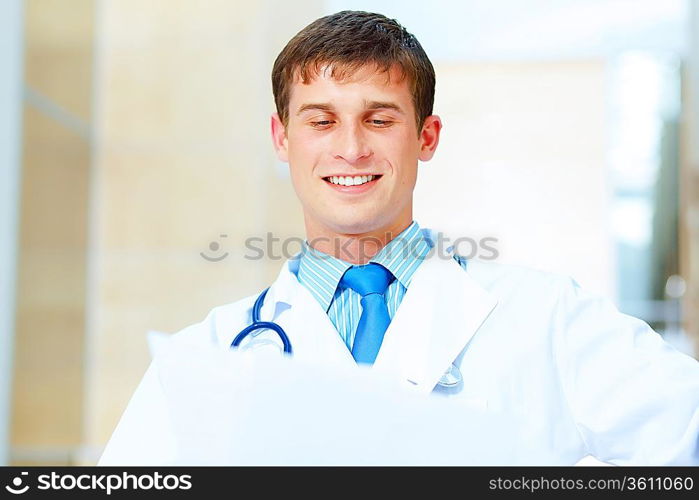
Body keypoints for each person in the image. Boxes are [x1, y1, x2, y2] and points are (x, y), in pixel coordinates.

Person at [99, 10, 699, 465]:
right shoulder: (211, 353)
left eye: (379, 119)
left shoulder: (550, 318)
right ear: (283, 139)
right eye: (322, 120)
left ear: (427, 136)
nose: (352, 148)